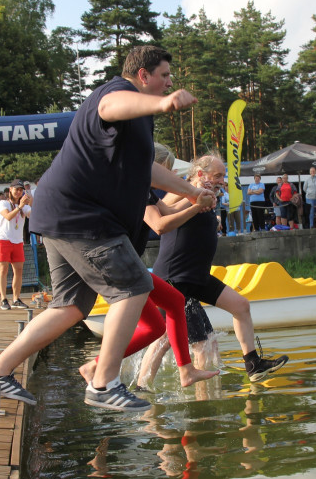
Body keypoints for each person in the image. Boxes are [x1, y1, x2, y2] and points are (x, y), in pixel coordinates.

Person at [0, 45, 212, 412]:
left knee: (70, 307)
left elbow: (147, 168)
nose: (169, 83)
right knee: (134, 286)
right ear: (143, 75)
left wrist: (192, 192)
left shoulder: (138, 120)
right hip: (81, 216)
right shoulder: (117, 92)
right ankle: (104, 384)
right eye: (164, 76)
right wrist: (163, 103)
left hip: (62, 215)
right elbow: (109, 106)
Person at [79, 143, 220, 390]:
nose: (170, 176)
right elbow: (159, 225)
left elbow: (169, 209)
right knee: (162, 321)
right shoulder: (133, 185)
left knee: (159, 324)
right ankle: (100, 369)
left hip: (122, 257)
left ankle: (179, 373)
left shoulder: (144, 188)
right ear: (153, 166)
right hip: (115, 256)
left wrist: (196, 198)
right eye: (167, 170)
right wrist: (197, 205)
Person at [155, 154, 289, 383]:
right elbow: (163, 211)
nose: (221, 181)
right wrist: (194, 195)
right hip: (175, 277)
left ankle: (253, 364)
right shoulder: (183, 188)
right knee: (173, 341)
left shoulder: (207, 194)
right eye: (217, 175)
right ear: (200, 174)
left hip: (197, 276)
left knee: (241, 306)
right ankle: (142, 383)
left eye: (222, 176)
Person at [0, 181, 32, 310]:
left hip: (18, 240)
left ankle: (16, 299)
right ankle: (3, 299)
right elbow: (8, 216)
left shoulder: (23, 206)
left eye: (21, 190)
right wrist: (19, 207)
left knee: (19, 270)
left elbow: (33, 214)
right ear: (10, 189)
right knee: (3, 269)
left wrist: (30, 202)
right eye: (16, 189)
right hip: (4, 239)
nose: (18, 192)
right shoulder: (4, 203)